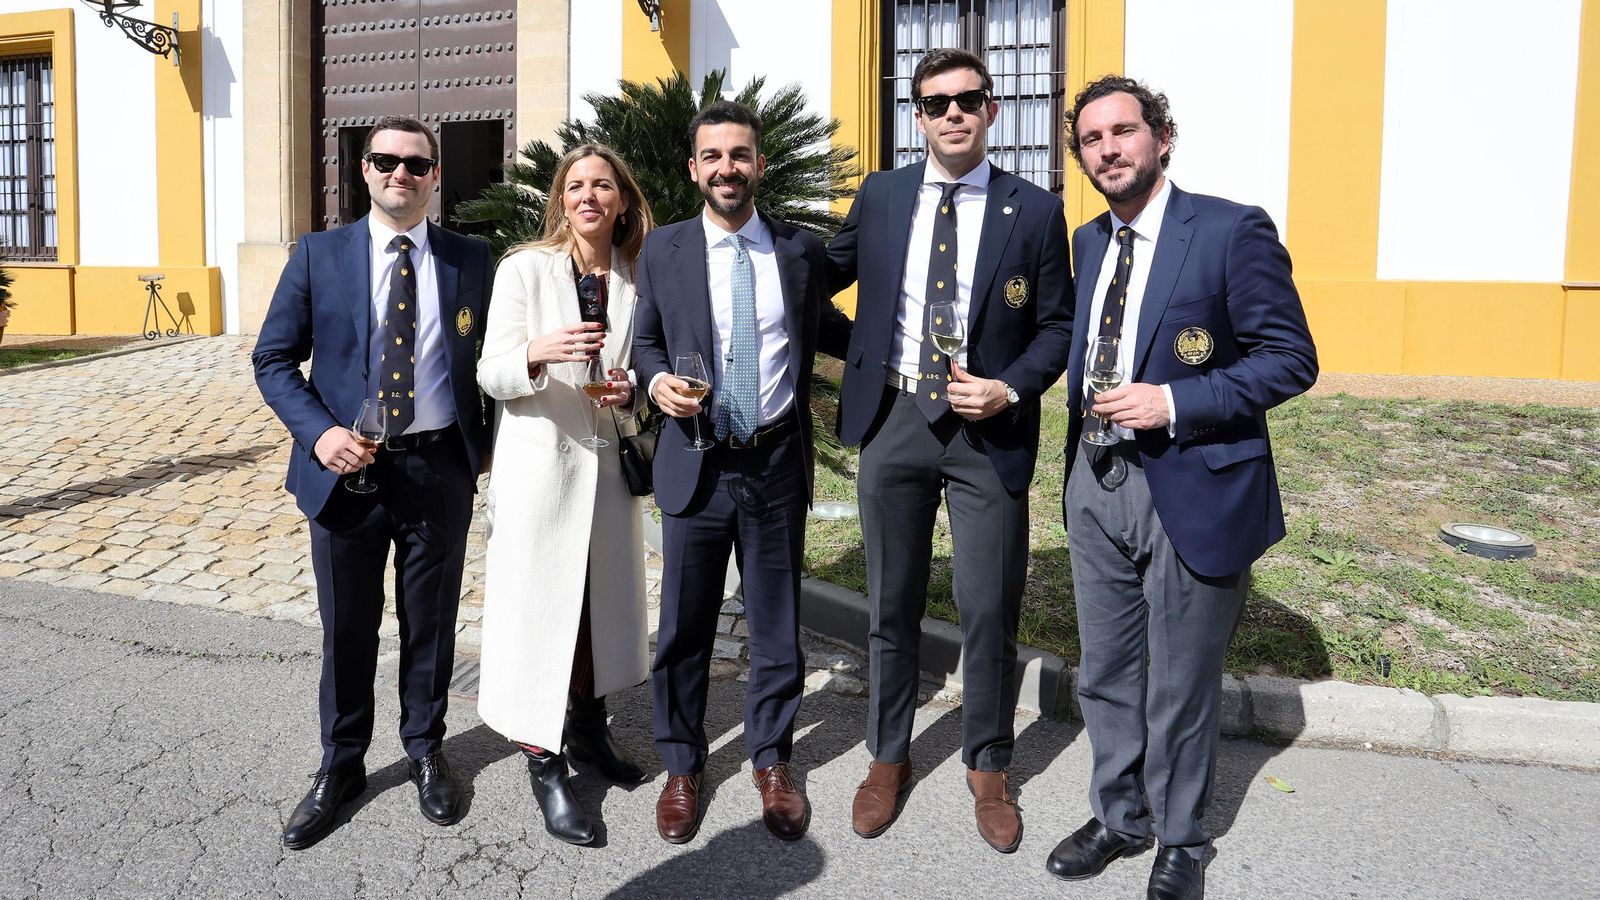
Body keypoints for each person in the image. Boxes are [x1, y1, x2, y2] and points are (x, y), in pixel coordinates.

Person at [1047, 76, 1318, 900]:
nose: (1108, 150)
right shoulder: (1089, 240)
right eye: (1092, 140)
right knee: (1106, 670)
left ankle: (1182, 837)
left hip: (1192, 481)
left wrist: (1173, 400)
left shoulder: (1231, 230)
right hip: (1096, 479)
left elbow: (1289, 359)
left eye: (1123, 132)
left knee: (1181, 679)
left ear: (1162, 137)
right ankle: (1120, 816)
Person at [825, 47, 1073, 853]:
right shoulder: (884, 195)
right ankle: (887, 756)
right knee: (891, 602)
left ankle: (989, 762)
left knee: (988, 605)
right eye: (936, 103)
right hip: (894, 417)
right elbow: (817, 274)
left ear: (992, 110)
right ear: (919, 117)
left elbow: (1058, 327)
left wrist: (1010, 387)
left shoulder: (1033, 211)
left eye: (968, 99)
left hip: (985, 429)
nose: (953, 113)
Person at [253, 115, 495, 849]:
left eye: (416, 165)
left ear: (435, 177)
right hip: (345, 471)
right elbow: (272, 359)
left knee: (431, 626)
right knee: (348, 629)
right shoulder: (318, 254)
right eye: (386, 160)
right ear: (364, 170)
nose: (401, 174)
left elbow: (500, 353)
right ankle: (342, 764)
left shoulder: (470, 259)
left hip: (435, 470)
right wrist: (320, 433)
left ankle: (425, 748)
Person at [632, 99, 852, 845]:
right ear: (695, 168)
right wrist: (656, 380)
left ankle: (771, 759)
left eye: (740, 154)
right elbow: (646, 342)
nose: (727, 168)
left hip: (776, 465)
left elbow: (828, 329)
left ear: (760, 163)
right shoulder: (662, 251)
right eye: (713, 156)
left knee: (775, 624)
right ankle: (682, 765)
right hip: (696, 463)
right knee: (684, 628)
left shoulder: (799, 251)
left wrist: (905, 360)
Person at [475, 144, 655, 846]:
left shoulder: (637, 275)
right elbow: (491, 371)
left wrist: (629, 389)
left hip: (607, 470)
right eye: (575, 185)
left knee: (595, 611)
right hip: (539, 472)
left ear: (622, 200)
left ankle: (590, 733)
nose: (588, 195)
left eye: (602, 184)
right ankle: (543, 762)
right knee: (538, 613)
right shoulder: (524, 269)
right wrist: (535, 353)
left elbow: (642, 369)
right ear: (560, 200)